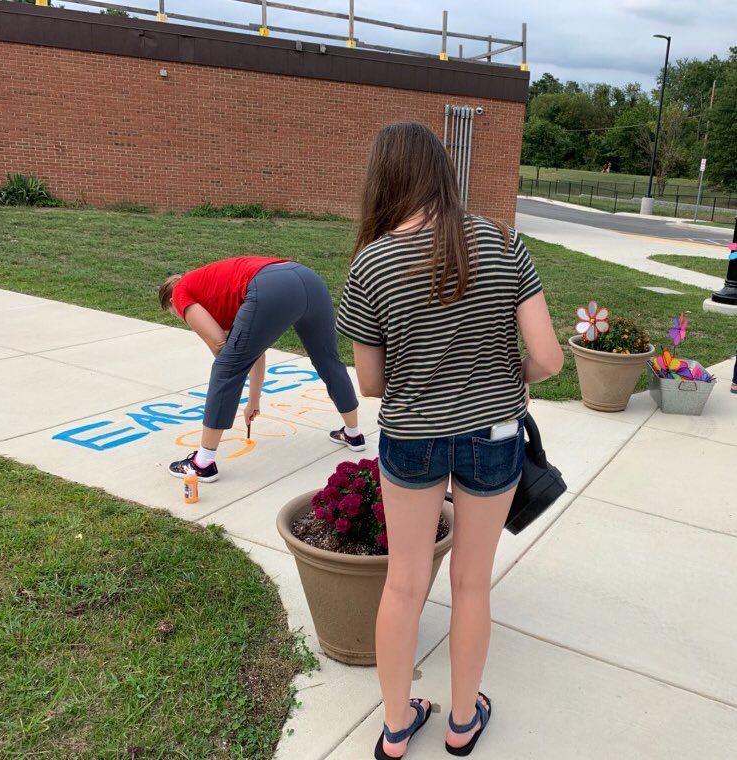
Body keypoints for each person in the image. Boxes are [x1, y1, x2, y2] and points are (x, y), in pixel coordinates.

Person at [337, 122, 563, 759]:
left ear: (384, 178)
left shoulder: (371, 262)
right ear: (442, 171)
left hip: (412, 437)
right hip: (494, 436)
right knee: (471, 581)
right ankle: (463, 723)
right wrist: (508, 379)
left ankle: (396, 727)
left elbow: (373, 382)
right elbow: (548, 357)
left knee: (404, 584)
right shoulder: (502, 241)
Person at [159, 256, 365, 482]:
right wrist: (253, 400)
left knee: (225, 367)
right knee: (328, 359)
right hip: (308, 279)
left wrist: (233, 366)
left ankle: (202, 462)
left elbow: (220, 345)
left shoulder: (181, 292)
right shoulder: (212, 285)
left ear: (171, 300)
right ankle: (353, 434)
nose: (181, 315)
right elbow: (254, 350)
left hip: (271, 285)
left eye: (175, 313)